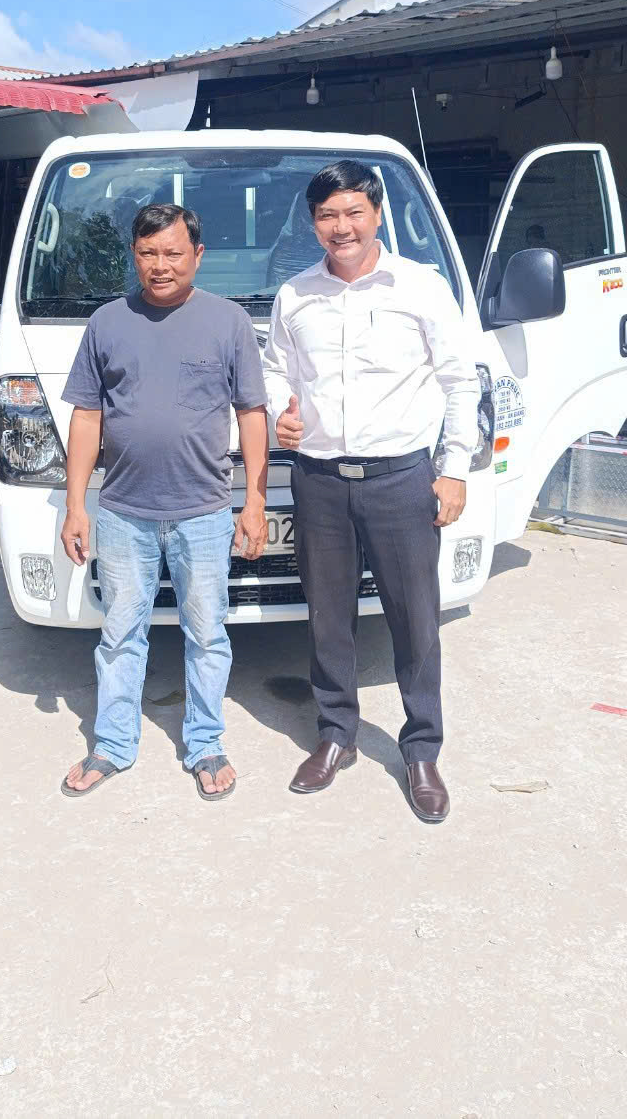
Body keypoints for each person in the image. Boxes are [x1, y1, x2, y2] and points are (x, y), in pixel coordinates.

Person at [262, 161, 480, 823]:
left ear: (377, 214)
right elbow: (275, 369)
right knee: (328, 618)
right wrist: (278, 411)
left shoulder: (421, 287)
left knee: (414, 620)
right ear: (312, 223)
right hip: (320, 481)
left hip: (400, 480)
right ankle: (336, 734)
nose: (342, 227)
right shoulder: (295, 295)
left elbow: (460, 380)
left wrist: (454, 468)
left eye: (353, 212)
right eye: (327, 215)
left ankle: (421, 749)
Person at [59, 203, 269, 802]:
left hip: (204, 512)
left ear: (197, 256)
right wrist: (76, 505)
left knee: (207, 634)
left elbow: (251, 414)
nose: (160, 265)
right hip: (124, 512)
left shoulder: (228, 322)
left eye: (173, 253)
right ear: (134, 255)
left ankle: (205, 744)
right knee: (120, 634)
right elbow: (87, 416)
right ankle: (112, 744)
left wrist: (254, 501)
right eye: (148, 253)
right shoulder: (107, 322)